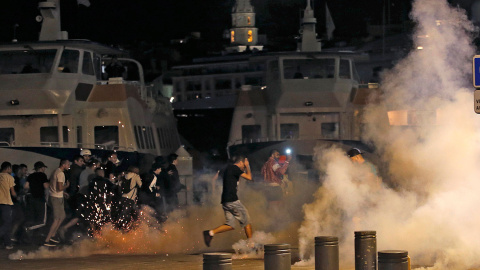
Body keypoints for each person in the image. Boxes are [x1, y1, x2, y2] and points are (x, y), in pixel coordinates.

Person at [202, 155, 253, 247]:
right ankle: (252, 245)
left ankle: (210, 233)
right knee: (246, 220)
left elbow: (215, 178)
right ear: (240, 162)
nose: (243, 167)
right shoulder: (235, 168)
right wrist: (248, 166)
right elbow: (249, 177)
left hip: (225, 201)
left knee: (230, 225)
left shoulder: (226, 169)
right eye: (243, 165)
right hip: (232, 200)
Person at [44, 159, 70, 247]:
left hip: (55, 196)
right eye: (68, 164)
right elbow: (59, 187)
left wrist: (63, 193)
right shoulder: (61, 173)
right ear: (64, 164)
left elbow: (53, 185)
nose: (69, 166)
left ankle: (53, 235)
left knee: (62, 216)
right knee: (56, 219)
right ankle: (47, 239)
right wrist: (66, 186)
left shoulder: (55, 171)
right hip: (56, 198)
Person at [24, 161, 49, 231]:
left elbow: (26, 186)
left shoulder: (30, 176)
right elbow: (46, 186)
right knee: (42, 221)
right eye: (44, 167)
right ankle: (29, 229)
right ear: (41, 168)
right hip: (40, 199)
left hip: (31, 198)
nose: (44, 169)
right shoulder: (43, 175)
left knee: (31, 218)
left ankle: (28, 234)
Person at [116, 166, 142, 230]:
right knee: (128, 214)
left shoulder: (123, 176)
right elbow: (141, 185)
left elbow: (119, 186)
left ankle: (118, 226)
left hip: (122, 197)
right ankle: (124, 229)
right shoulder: (135, 176)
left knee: (122, 212)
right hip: (130, 198)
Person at [0, 162, 16, 249]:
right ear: (8, 168)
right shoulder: (9, 177)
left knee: (4, 224)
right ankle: (7, 243)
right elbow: (13, 192)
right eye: (11, 168)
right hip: (6, 203)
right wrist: (18, 197)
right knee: (7, 224)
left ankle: (8, 243)